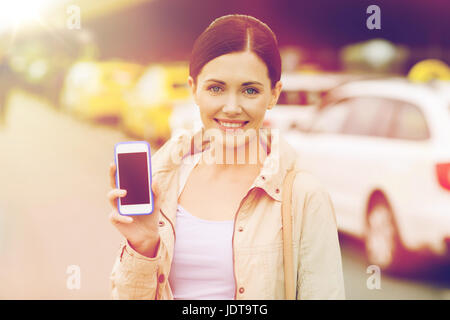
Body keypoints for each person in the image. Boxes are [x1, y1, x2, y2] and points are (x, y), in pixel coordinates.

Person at [107, 14, 345, 300]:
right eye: (216, 88)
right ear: (194, 89)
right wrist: (143, 246)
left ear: (273, 94)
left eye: (250, 90)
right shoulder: (162, 180)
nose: (231, 107)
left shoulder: (304, 196)